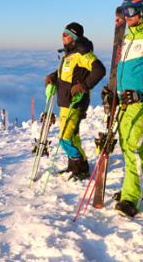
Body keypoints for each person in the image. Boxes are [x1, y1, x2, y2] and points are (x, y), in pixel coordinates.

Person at [101, 0, 143, 217]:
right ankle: (136, 188)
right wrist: (113, 91)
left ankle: (132, 197)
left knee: (133, 148)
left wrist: (141, 93)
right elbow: (124, 72)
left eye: (130, 12)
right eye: (124, 12)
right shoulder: (129, 37)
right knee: (127, 147)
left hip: (142, 104)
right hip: (126, 102)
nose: (126, 16)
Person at [44, 22, 106, 181]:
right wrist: (52, 77)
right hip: (65, 103)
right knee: (73, 137)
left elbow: (100, 69)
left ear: (73, 36)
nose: (61, 37)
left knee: (65, 138)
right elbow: (65, 74)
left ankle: (82, 169)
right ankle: (75, 168)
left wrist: (83, 87)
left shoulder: (81, 52)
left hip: (75, 103)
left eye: (65, 34)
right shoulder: (69, 54)